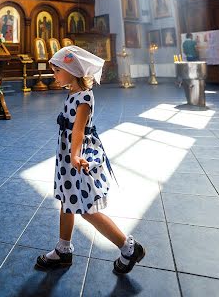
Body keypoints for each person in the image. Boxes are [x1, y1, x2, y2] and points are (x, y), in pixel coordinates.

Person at [35, 45, 145, 275]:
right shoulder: (73, 92)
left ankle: (128, 247)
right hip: (70, 157)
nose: (53, 75)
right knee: (67, 200)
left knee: (86, 209)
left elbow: (78, 130)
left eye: (56, 71)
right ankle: (63, 249)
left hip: (80, 157)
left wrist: (75, 155)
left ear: (71, 71)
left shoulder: (83, 98)